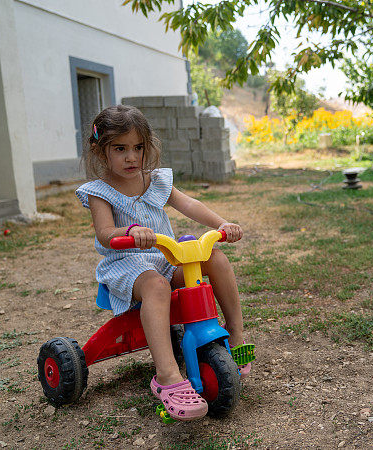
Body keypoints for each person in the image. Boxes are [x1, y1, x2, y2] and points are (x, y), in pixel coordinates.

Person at [75, 105, 248, 421]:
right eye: (120, 149)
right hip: (128, 265)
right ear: (100, 151)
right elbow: (104, 234)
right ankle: (167, 375)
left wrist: (222, 224)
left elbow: (188, 203)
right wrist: (128, 231)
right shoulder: (99, 192)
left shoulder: (154, 180)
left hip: (164, 257)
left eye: (138, 148)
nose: (131, 157)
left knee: (214, 256)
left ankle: (235, 331)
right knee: (155, 285)